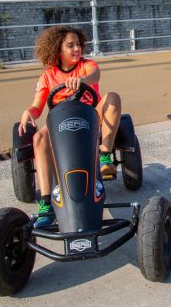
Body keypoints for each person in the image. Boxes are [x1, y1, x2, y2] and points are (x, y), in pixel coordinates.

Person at [18, 26, 122, 227]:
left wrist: (81, 80)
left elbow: (95, 75)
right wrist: (28, 112)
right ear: (58, 49)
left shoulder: (87, 65)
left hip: (90, 116)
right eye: (70, 45)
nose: (77, 49)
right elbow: (37, 106)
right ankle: (46, 202)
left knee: (113, 98)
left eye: (78, 45)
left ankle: (104, 156)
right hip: (60, 122)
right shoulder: (48, 76)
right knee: (38, 138)